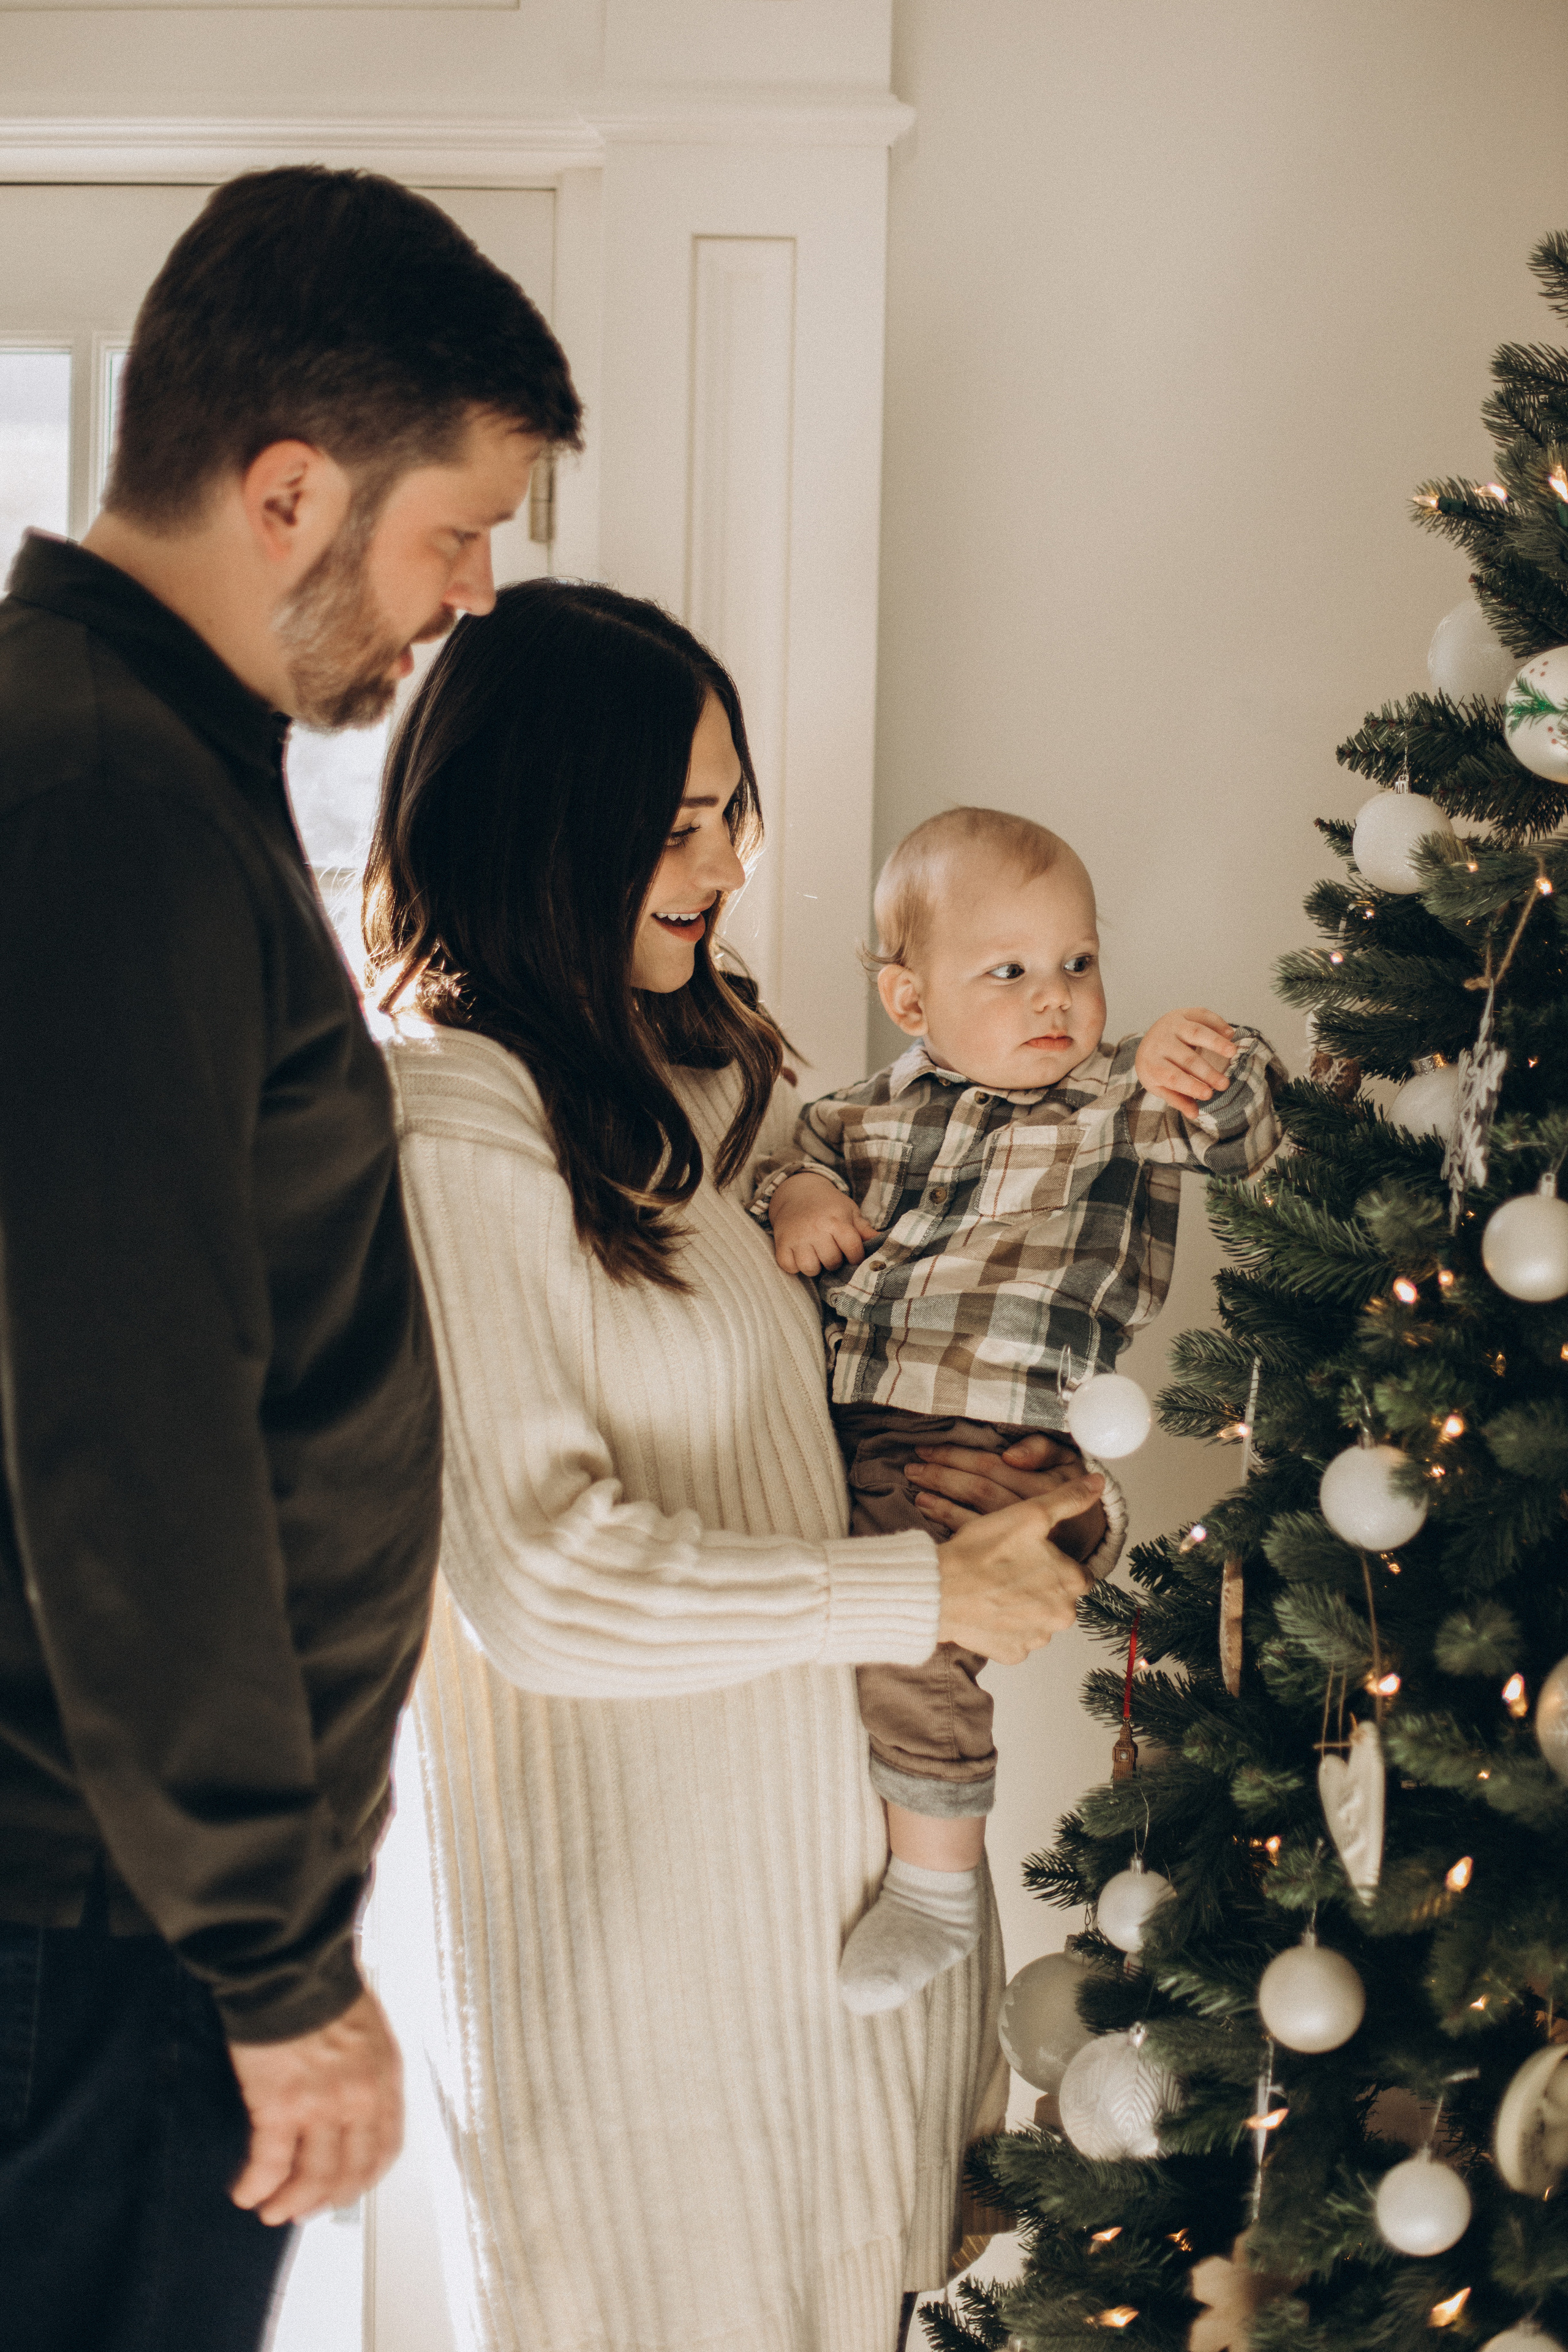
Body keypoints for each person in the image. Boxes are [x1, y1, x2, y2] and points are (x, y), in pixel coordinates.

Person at [363, 579, 1107, 2352]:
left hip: (856, 1946)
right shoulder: (452, 1124)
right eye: (677, 823)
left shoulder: (711, 1079)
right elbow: (539, 1581)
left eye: (729, 810)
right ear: (549, 821)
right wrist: (929, 1582)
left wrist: (1020, 1493)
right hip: (644, 2012)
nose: (723, 862)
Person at [0, 167, 582, 2351]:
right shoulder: (102, 807)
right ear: (286, 489)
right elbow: (126, 1446)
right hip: (110, 1935)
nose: (466, 596)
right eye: (455, 532)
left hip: (129, 1921)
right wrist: (271, 1962)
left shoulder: (149, 767)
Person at [753, 807, 1285, 2015]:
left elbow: (1251, 1141)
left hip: (1009, 1431)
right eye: (1008, 971)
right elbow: (779, 1159)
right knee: (877, 1629)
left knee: (914, 1638)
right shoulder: (859, 1117)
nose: (1055, 997)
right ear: (909, 999)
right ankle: (924, 1844)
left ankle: (936, 1882)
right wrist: (795, 1196)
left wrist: (1209, 1056)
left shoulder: (1121, 1100)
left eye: (1077, 963)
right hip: (867, 1423)